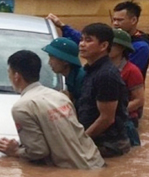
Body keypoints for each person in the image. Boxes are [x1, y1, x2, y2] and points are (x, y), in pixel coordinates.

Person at [0, 50, 104, 169]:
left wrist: (15, 151)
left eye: (9, 73)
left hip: (72, 171)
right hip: (96, 161)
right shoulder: (60, 96)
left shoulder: (21, 107)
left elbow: (38, 151)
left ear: (16, 76)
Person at [47, 1, 149, 79]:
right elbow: (90, 41)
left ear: (134, 20)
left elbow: (127, 74)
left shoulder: (141, 47)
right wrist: (63, 26)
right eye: (114, 20)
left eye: (120, 20)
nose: (116, 23)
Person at [77, 23, 130, 157]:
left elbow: (107, 118)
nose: (82, 44)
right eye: (81, 39)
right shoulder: (91, 70)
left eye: (88, 40)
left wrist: (80, 142)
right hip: (95, 140)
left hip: (108, 144)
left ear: (104, 46)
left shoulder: (106, 75)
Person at [109, 29, 144, 135]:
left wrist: (115, 112)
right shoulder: (100, 68)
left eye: (112, 45)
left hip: (126, 118)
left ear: (122, 48)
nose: (108, 47)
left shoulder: (132, 71)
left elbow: (139, 100)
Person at [41, 37, 85, 102]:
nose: (49, 62)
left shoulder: (81, 79)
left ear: (65, 61)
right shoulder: (71, 78)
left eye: (52, 58)